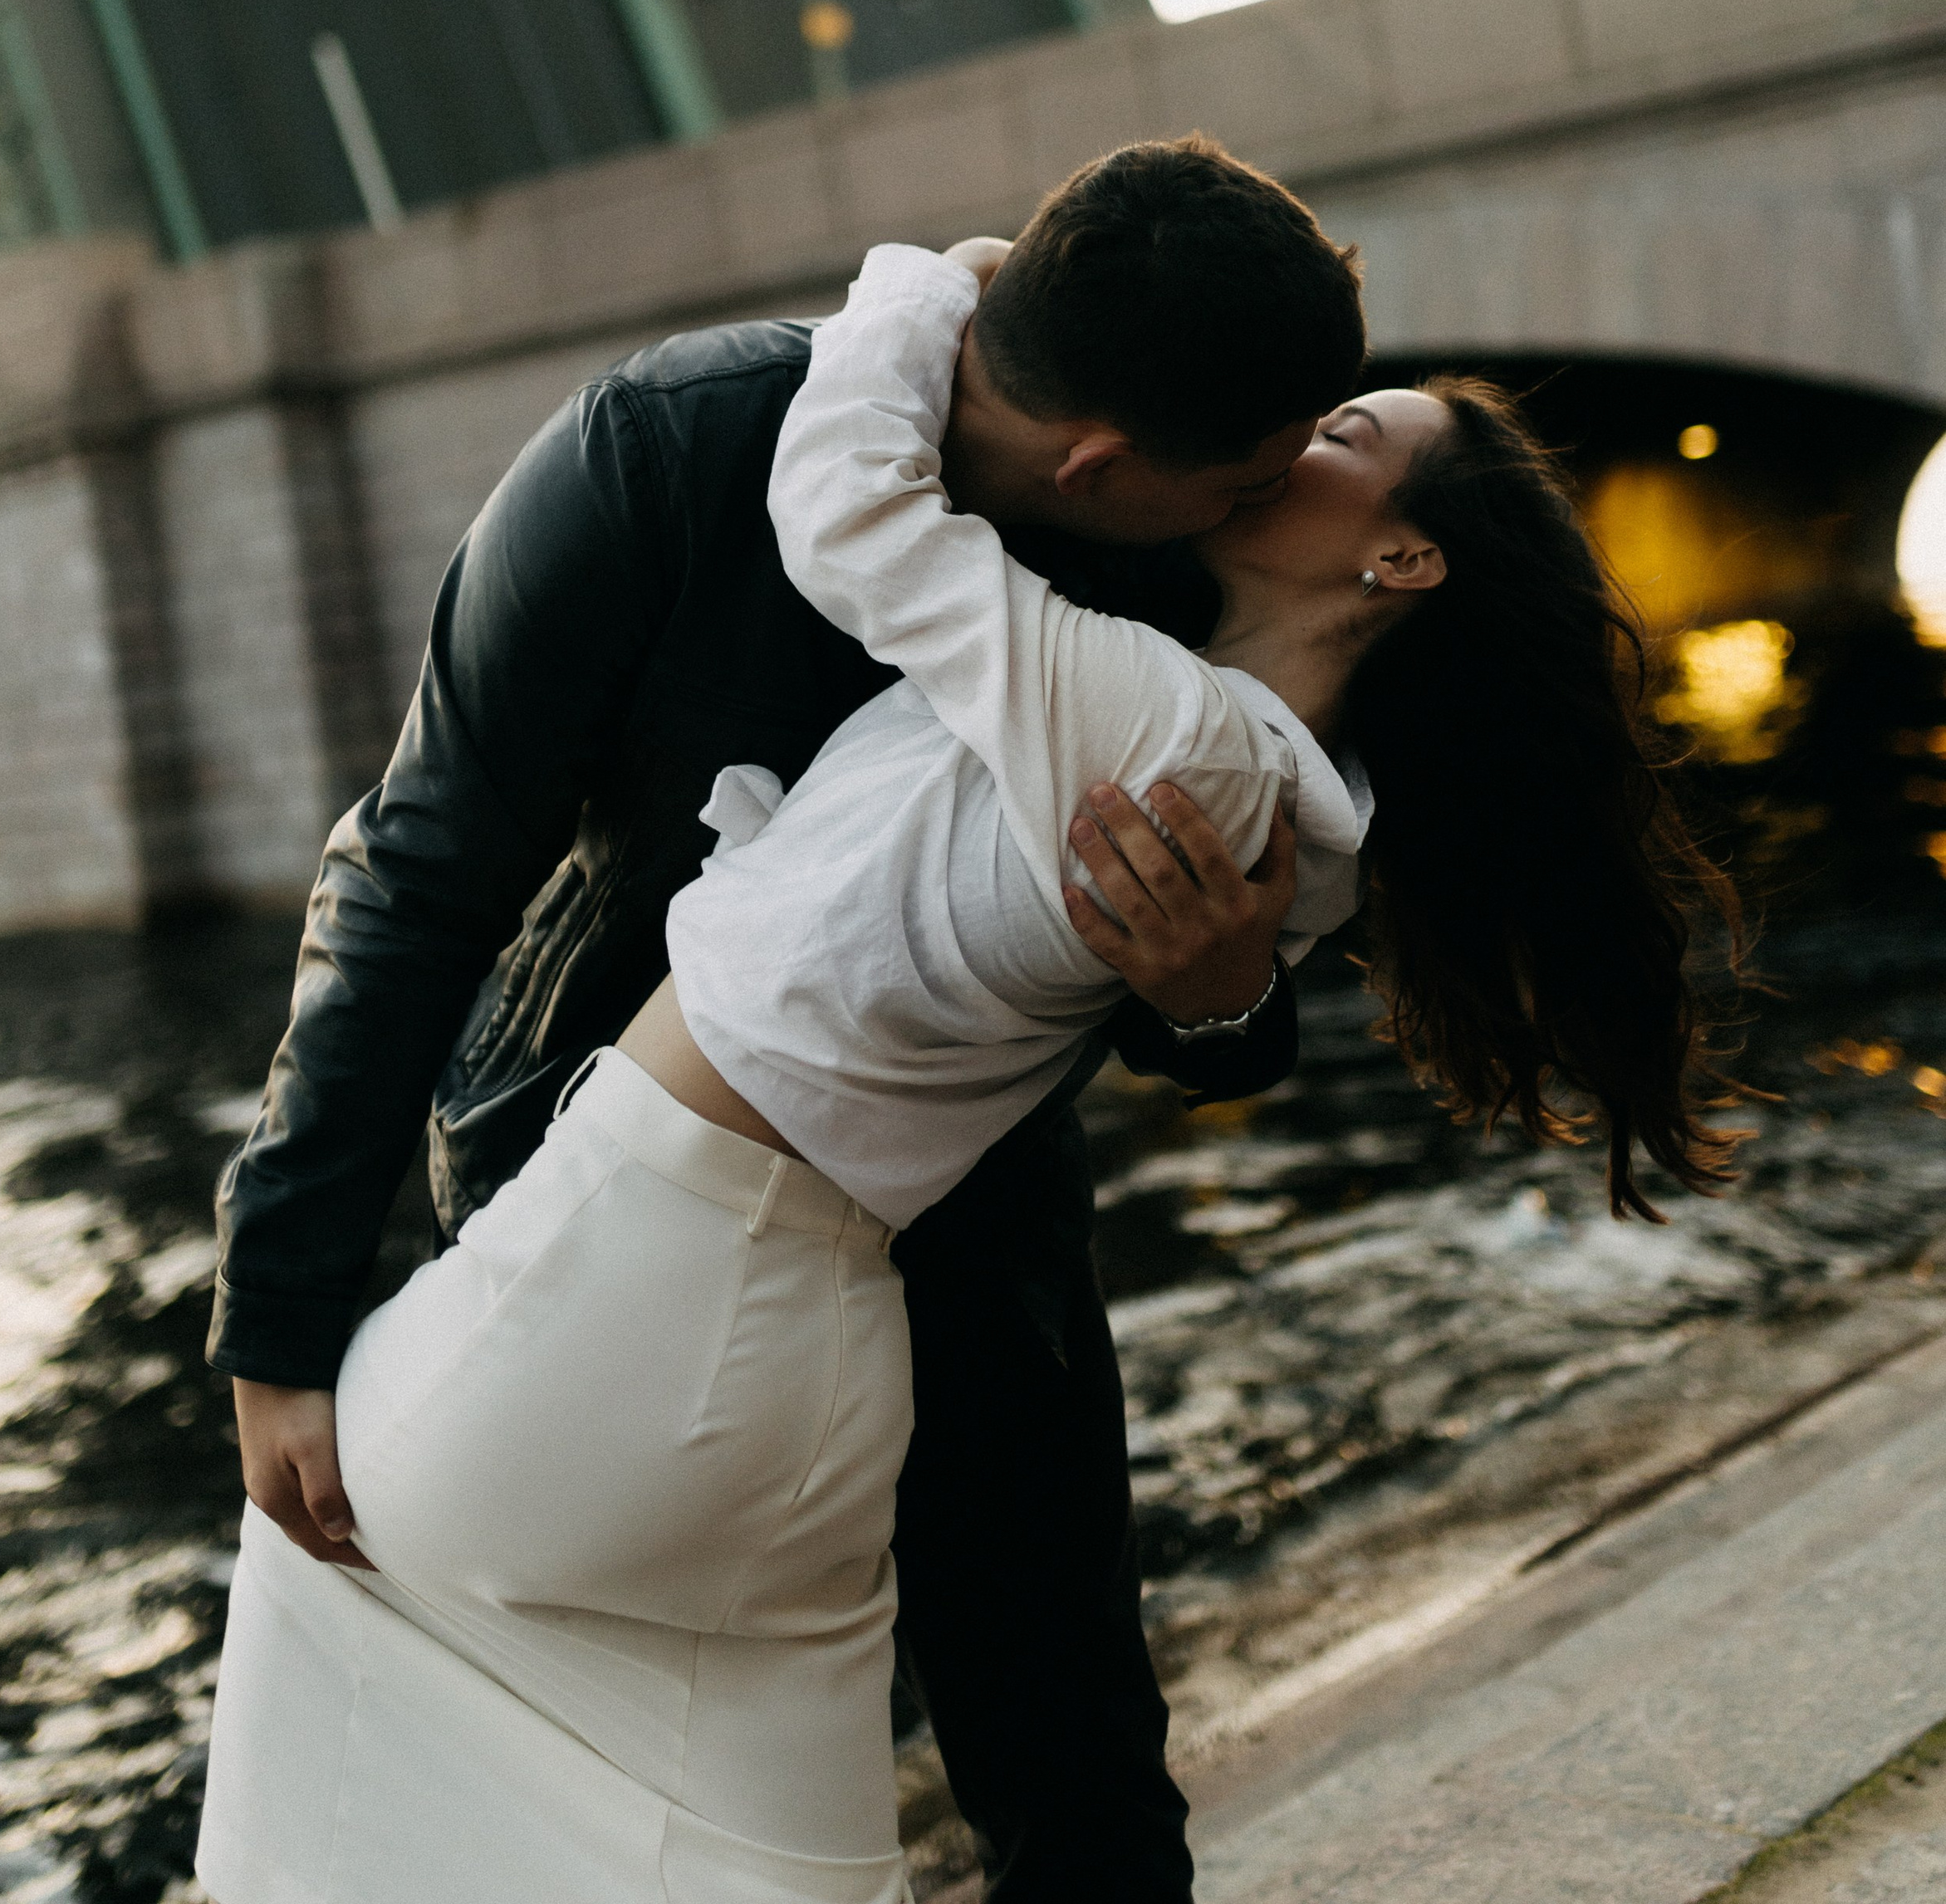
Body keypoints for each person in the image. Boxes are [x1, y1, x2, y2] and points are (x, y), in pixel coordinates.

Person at [198, 237, 1738, 1904]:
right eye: (1269, 440)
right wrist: (277, 1306)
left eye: (1320, 433)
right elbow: (417, 876)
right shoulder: (676, 449)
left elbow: (1219, 899)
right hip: (611, 1199)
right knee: (732, 1810)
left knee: (1059, 1752)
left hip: (919, 1227)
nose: (1280, 461)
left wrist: (1215, 993)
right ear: (1103, 451)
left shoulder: (1181, 561)